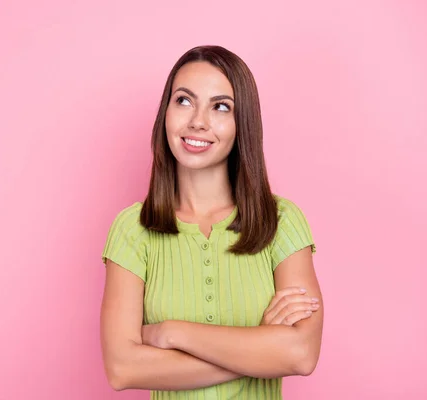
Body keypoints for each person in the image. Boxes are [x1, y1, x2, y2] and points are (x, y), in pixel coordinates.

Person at [100, 45, 323, 399]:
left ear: (241, 123)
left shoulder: (281, 222)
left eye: (221, 107)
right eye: (184, 101)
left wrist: (172, 333)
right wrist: (260, 349)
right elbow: (122, 368)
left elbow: (301, 354)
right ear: (166, 113)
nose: (198, 121)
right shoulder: (132, 230)